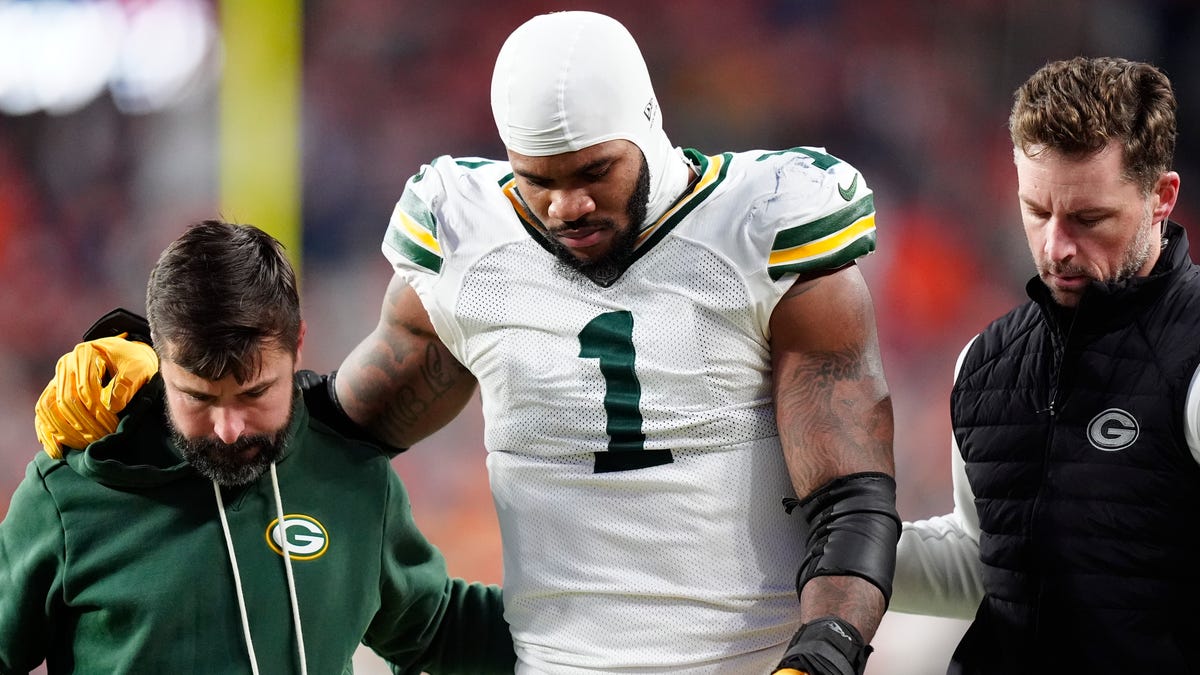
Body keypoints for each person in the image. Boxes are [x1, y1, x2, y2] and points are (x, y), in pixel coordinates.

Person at [32, 12, 900, 675]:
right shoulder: (468, 241)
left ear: (648, 128)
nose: (565, 206)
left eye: (594, 172)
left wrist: (823, 653)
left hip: (753, 659)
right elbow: (333, 426)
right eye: (538, 180)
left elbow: (853, 497)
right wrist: (158, 387)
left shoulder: (763, 224)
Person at [3, 220, 514, 674]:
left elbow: (437, 627)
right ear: (158, 360)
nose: (229, 428)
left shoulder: (355, 476)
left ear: (298, 346)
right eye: (199, 398)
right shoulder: (69, 495)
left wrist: (566, 624)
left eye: (255, 394)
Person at [889, 56, 1200, 673]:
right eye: (1036, 211)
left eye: (1089, 219)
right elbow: (987, 565)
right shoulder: (984, 363)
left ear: (1161, 198)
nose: (1056, 247)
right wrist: (838, 547)